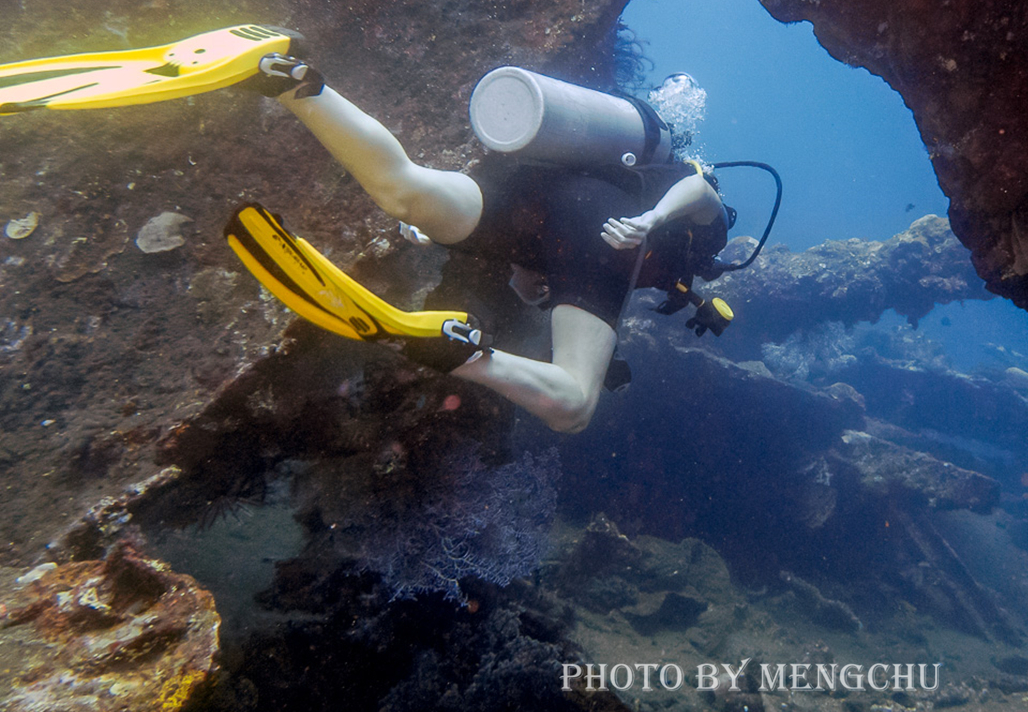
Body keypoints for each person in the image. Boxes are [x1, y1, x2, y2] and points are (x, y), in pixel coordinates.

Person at [261, 61, 727, 435]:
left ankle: (292, 81)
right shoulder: (705, 234)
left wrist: (490, 252)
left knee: (403, 191)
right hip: (604, 224)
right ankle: (462, 354)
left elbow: (532, 272)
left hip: (536, 193)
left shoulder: (615, 164)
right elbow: (701, 192)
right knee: (574, 405)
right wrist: (653, 219)